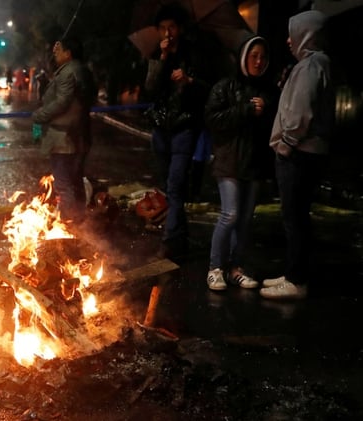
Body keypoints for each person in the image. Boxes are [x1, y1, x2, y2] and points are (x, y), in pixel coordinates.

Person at [260, 10, 334, 300]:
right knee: (296, 216)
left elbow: (302, 113)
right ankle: (292, 273)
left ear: (307, 34)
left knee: (295, 217)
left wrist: (286, 144)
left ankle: (296, 280)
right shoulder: (313, 64)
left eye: (294, 33)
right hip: (306, 153)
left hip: (299, 153)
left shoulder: (311, 66)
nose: (289, 40)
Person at [203, 36, 279, 291]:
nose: (258, 61)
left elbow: (274, 127)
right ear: (244, 57)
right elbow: (213, 120)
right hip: (229, 161)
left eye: (263, 57)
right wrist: (245, 110)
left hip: (254, 163)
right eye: (254, 56)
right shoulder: (225, 86)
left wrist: (266, 110)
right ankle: (215, 268)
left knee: (245, 219)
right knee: (230, 213)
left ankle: (236, 267)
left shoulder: (268, 91)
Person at [143, 4, 212, 260]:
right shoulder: (155, 54)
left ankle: (170, 241)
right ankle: (180, 235)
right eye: (162, 28)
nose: (167, 32)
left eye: (171, 27)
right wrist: (160, 60)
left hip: (184, 127)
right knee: (168, 186)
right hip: (160, 128)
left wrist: (189, 81)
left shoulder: (193, 54)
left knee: (175, 183)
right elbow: (149, 88)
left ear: (179, 29)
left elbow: (208, 88)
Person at [31, 37, 93, 224]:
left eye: (58, 51)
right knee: (76, 181)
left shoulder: (68, 73)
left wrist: (40, 115)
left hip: (64, 137)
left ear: (69, 53)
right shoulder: (83, 70)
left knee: (64, 184)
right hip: (79, 135)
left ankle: (67, 225)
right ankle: (80, 223)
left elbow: (62, 102)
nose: (54, 54)